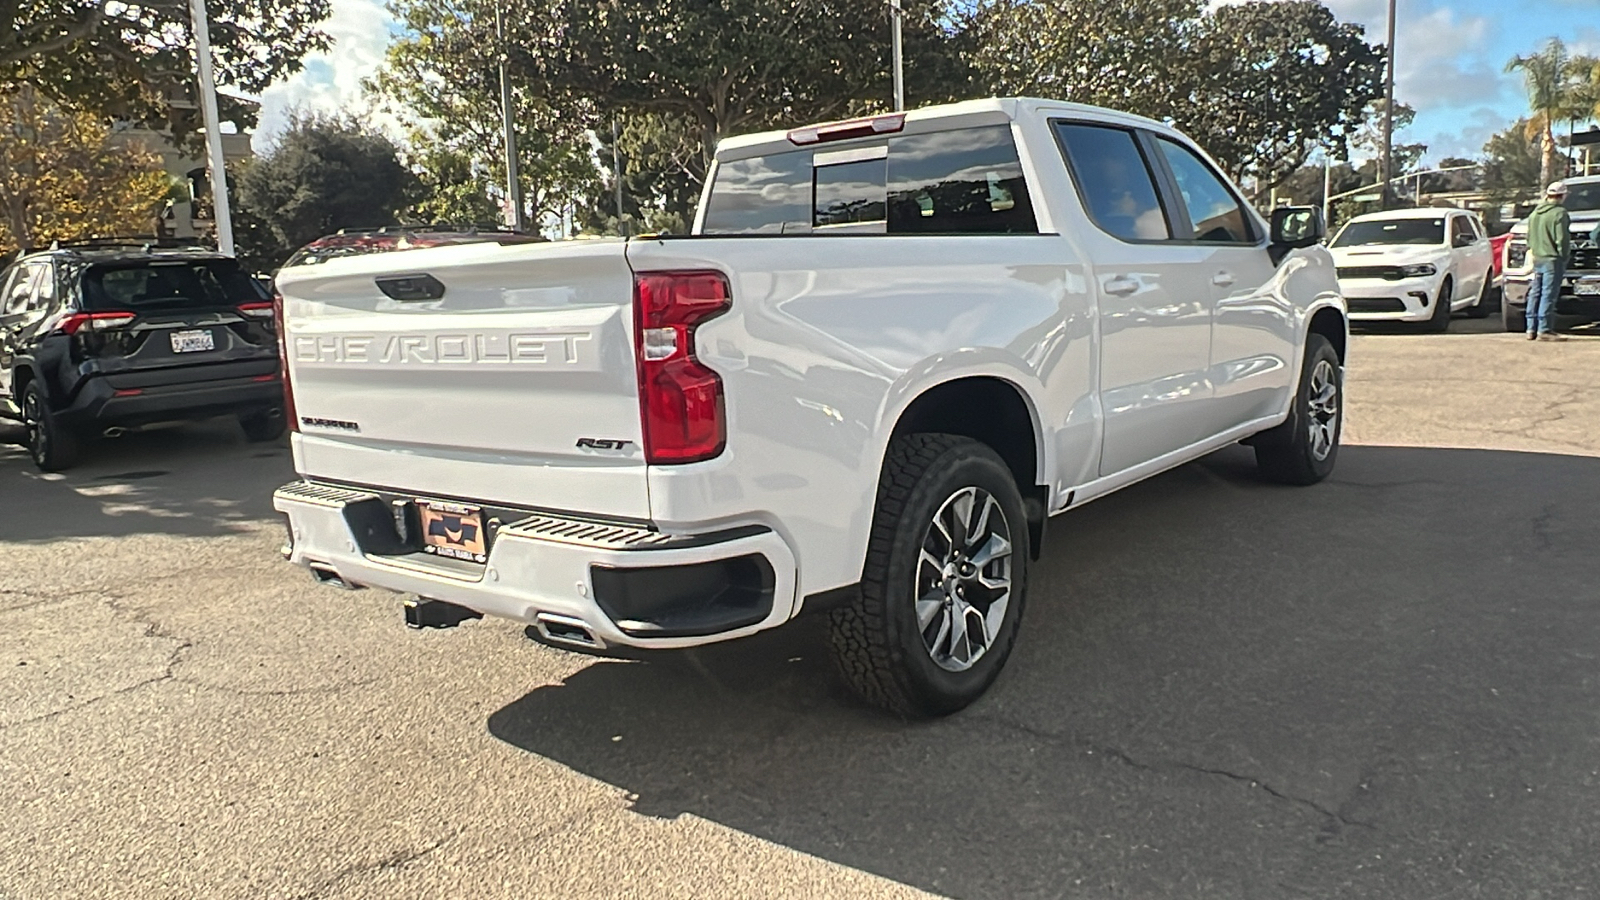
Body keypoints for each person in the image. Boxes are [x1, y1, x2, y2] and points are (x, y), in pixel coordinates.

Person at [1524, 181, 1572, 342]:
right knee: (1548, 294)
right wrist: (1564, 255)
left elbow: (1528, 237)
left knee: (1535, 292)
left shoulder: (1535, 213)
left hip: (1538, 257)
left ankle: (1531, 328)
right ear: (1562, 196)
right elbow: (1562, 239)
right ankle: (1544, 329)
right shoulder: (1560, 213)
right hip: (1552, 258)